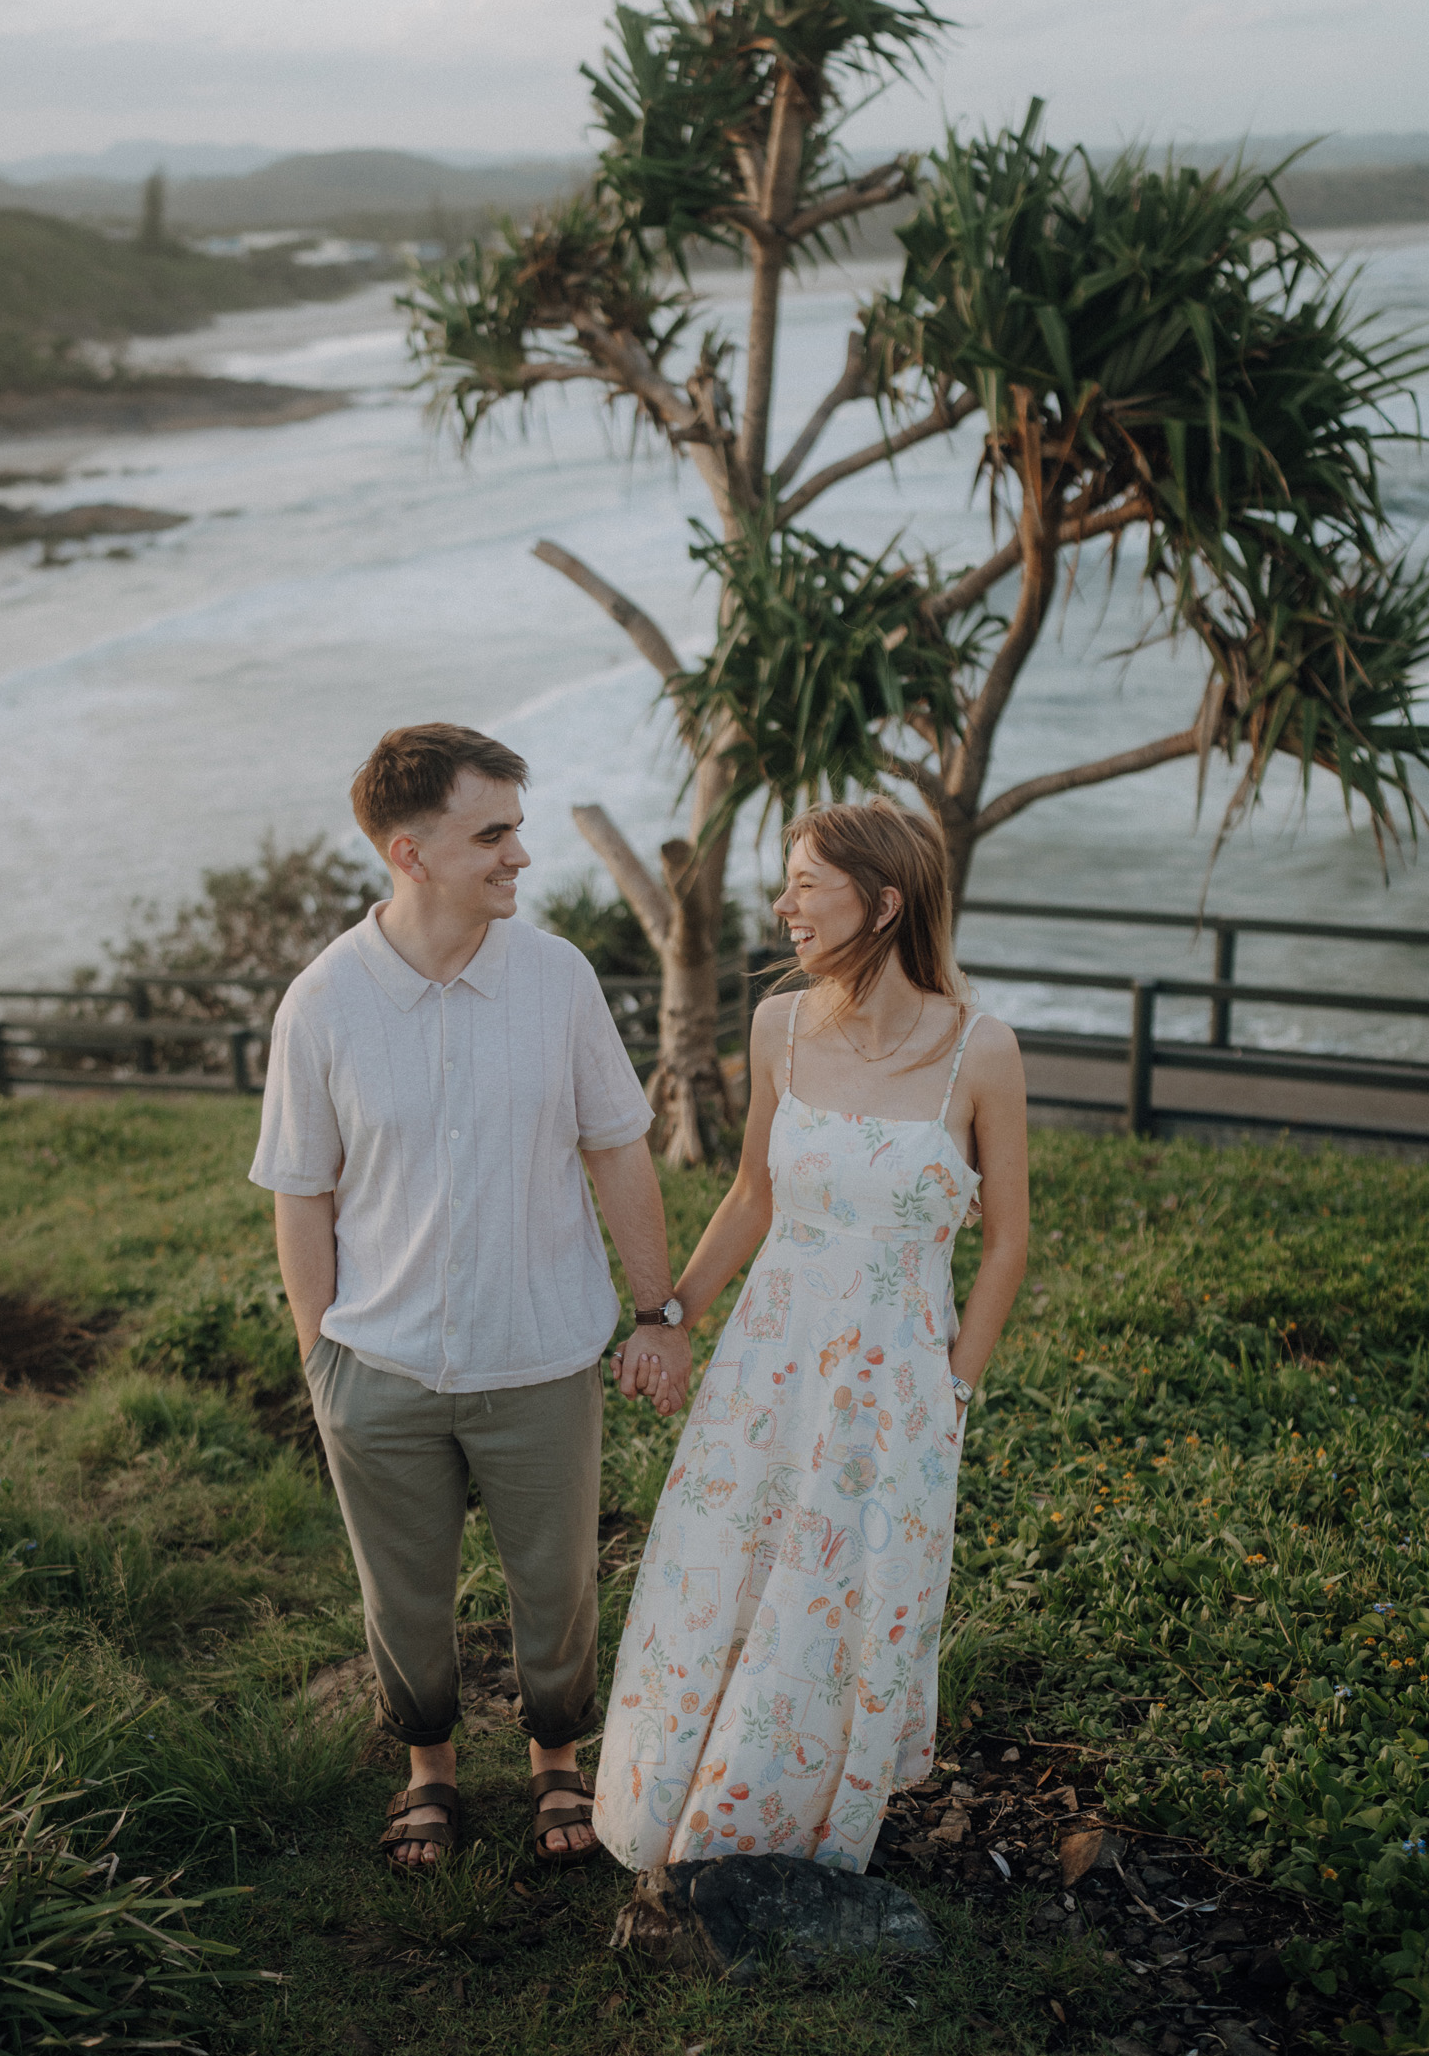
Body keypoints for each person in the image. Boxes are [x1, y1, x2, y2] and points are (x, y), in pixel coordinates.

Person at [251, 722, 691, 1870]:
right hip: (376, 1369)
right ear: (410, 851)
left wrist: (655, 1314)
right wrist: (323, 1362)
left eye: (516, 830)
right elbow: (301, 1194)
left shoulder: (558, 980)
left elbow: (620, 1150)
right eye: (491, 835)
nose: (519, 858)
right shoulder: (323, 1001)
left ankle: (557, 1766)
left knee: (558, 1588)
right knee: (402, 1596)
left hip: (540, 1357)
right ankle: (429, 1774)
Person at [594, 797, 1028, 1874]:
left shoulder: (982, 1050)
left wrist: (955, 1389)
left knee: (838, 1601)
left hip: (895, 1396)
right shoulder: (778, 1027)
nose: (783, 905)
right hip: (764, 1367)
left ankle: (780, 1828)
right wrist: (671, 1317)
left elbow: (1009, 1241)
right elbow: (750, 1195)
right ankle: (680, 1807)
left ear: (881, 902)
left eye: (804, 885)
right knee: (727, 1574)